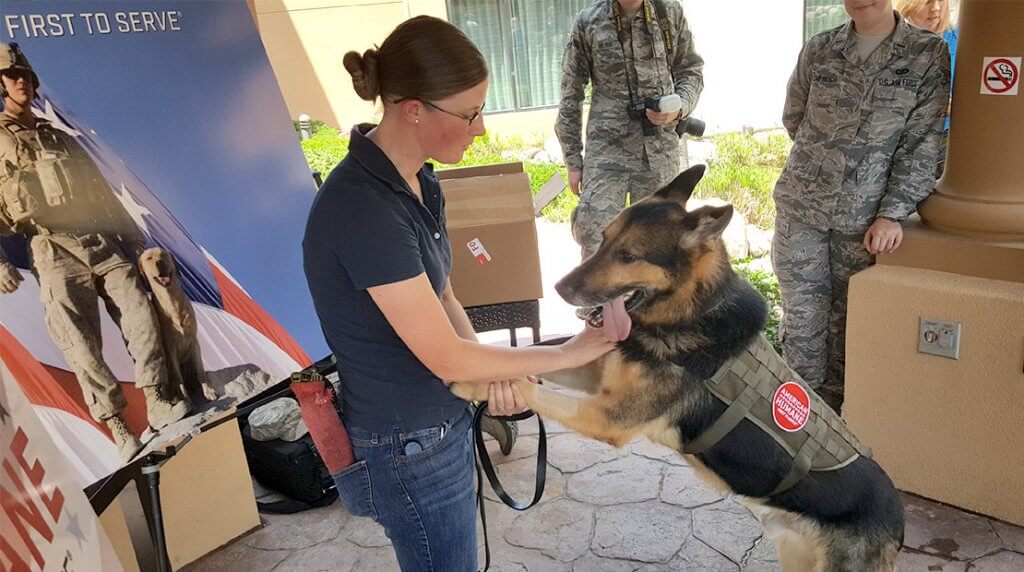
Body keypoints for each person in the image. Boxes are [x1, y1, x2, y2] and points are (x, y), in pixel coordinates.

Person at [302, 17, 614, 572]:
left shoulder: (419, 180)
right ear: (414, 108)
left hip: (435, 424)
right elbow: (445, 356)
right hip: (407, 444)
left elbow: (444, 297)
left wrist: (491, 376)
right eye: (470, 113)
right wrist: (570, 353)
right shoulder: (363, 209)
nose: (482, 129)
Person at [0, 43, 191, 460]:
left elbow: (101, 194)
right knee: (79, 341)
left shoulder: (58, 137)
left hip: (99, 240)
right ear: (1, 84)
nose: (20, 83)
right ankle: (117, 423)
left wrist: (134, 243)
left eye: (26, 76)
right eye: (12, 76)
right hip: (51, 247)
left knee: (140, 314)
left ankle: (157, 398)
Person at [772, 1, 950, 412]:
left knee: (852, 325)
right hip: (802, 209)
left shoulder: (926, 53)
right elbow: (794, 116)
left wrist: (893, 211)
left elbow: (922, 142)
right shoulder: (820, 48)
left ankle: (842, 428)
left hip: (866, 220)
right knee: (801, 323)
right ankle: (800, 423)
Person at [556, 0, 704, 259]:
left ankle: (650, 301)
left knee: (661, 242)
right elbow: (571, 94)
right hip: (607, 152)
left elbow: (691, 71)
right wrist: (573, 161)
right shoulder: (588, 21)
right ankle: (601, 301)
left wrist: (678, 107)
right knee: (595, 234)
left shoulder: (668, 13)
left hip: (658, 152)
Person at [895, 0, 957, 175]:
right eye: (927, 1)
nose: (936, 8)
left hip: (948, 137)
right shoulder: (894, 42)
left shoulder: (963, 39)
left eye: (941, 0)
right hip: (903, 137)